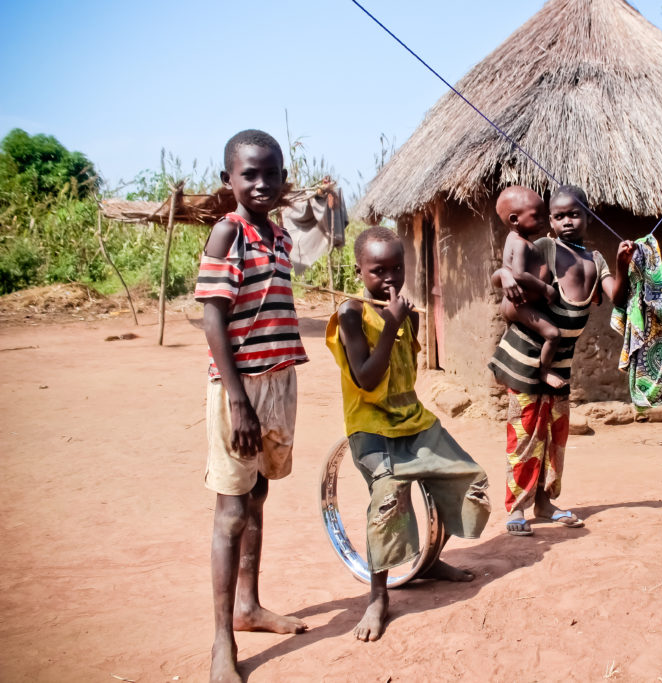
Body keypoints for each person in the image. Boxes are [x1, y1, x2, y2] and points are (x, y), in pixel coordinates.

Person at [325, 226, 491, 642]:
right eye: (377, 270)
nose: (389, 279)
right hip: (370, 427)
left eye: (396, 268)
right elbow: (365, 378)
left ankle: (430, 561)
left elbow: (406, 372)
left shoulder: (408, 315)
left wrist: (403, 322)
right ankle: (378, 597)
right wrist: (390, 324)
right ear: (359, 270)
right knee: (389, 495)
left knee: (468, 478)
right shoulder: (350, 314)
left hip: (411, 420)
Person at [195, 129, 309, 683]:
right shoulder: (228, 233)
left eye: (271, 174)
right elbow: (212, 316)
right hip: (239, 388)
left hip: (278, 381)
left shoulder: (279, 236)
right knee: (232, 509)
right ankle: (222, 642)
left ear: (285, 179)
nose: (262, 184)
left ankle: (249, 606)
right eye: (249, 175)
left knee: (258, 494)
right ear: (228, 181)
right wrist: (238, 400)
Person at [489, 185, 634, 536]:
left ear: (588, 215)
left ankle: (544, 502)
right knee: (525, 434)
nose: (566, 222)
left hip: (561, 363)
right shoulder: (544, 249)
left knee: (555, 437)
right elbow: (504, 277)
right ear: (550, 222)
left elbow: (618, 296)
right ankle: (517, 509)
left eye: (574, 214)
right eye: (558, 216)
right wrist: (505, 276)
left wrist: (620, 263)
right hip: (526, 358)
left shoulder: (595, 260)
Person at [491, 185, 564, 389]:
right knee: (553, 335)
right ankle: (544, 371)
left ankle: (500, 367)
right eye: (536, 216)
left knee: (509, 337)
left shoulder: (515, 240)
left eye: (544, 215)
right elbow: (519, 274)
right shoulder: (521, 244)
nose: (542, 220)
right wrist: (545, 288)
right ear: (515, 219)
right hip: (519, 306)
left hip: (513, 304)